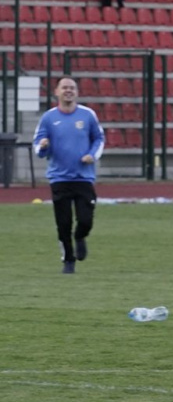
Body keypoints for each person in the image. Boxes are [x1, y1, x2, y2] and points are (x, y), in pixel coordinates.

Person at [33, 77, 104, 274]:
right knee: (63, 223)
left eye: (72, 88)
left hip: (83, 177)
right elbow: (38, 144)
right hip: (59, 178)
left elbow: (99, 138)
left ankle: (80, 236)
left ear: (77, 92)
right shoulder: (48, 118)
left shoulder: (87, 115)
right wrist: (43, 146)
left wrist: (92, 155)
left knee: (85, 220)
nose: (68, 91)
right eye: (64, 88)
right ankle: (68, 260)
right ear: (57, 92)